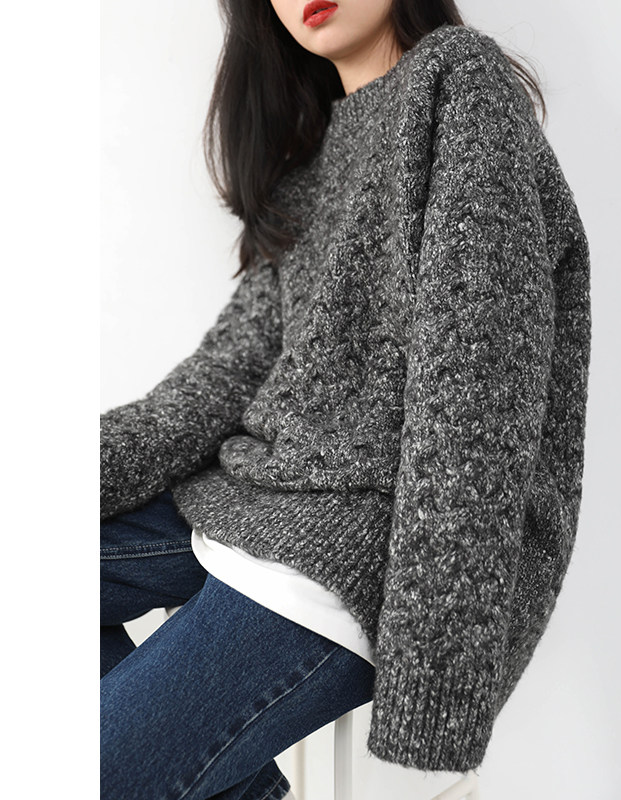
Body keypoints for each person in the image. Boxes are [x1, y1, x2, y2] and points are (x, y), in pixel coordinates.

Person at [100, 0, 593, 797]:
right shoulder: (310, 160)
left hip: (351, 549)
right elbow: (214, 383)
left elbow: (474, 407)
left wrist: (434, 685)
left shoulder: (460, 82)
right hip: (248, 503)